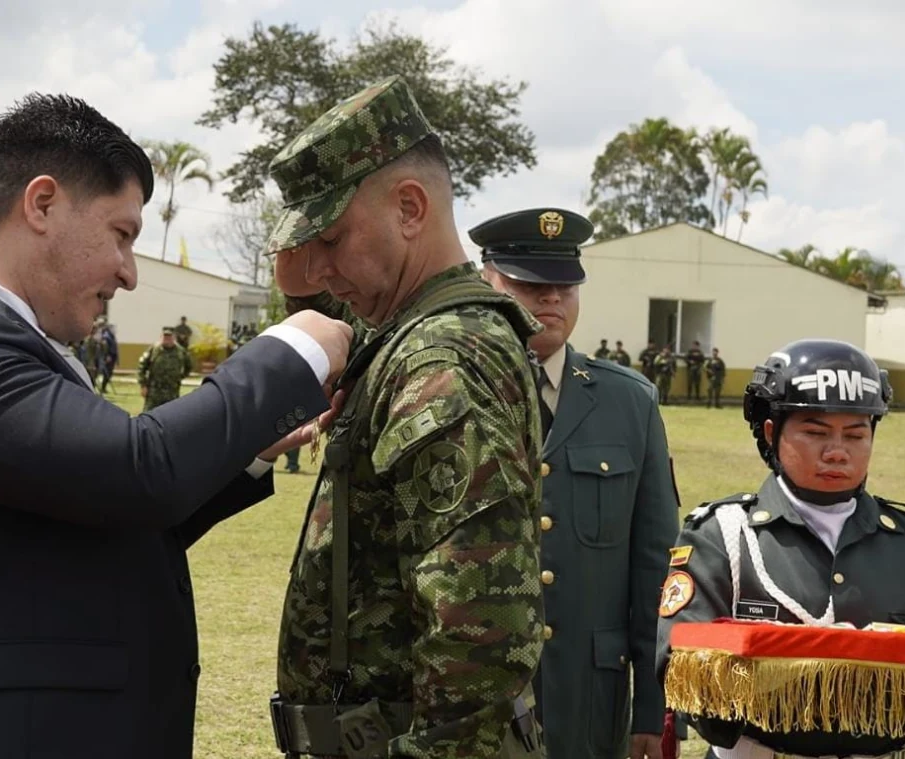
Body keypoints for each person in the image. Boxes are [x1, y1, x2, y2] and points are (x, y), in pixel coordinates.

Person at [0, 93, 354, 759]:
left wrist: (245, 450)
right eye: (121, 234)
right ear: (42, 204)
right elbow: (139, 470)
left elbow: (107, 511)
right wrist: (294, 347)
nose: (128, 273)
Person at [267, 75, 546, 758]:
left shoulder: (440, 356)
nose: (318, 270)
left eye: (331, 239)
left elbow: (478, 629)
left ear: (410, 208)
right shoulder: (411, 338)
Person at [475, 207, 680, 759]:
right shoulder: (454, 389)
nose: (551, 298)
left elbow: (656, 566)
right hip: (474, 692)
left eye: (565, 286)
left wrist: (653, 705)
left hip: (589, 696)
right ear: (487, 282)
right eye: (530, 284)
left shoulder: (630, 402)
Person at [656, 339, 902, 759]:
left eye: (856, 434)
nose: (837, 452)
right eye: (815, 432)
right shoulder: (720, 535)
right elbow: (679, 666)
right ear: (772, 433)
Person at [138, 326, 193, 410]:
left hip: (172, 391)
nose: (167, 339)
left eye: (169, 336)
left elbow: (189, 366)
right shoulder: (154, 349)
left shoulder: (181, 351)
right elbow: (141, 366)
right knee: (149, 414)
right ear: (161, 337)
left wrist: (180, 377)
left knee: (170, 414)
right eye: (165, 336)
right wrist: (143, 385)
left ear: (174, 337)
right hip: (154, 391)